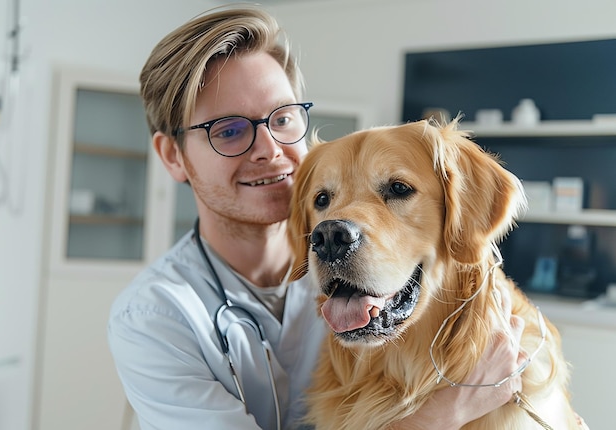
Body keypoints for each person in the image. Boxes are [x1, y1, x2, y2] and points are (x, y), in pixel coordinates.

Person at [108, 5, 526, 430]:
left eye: (282, 118)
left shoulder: (392, 287)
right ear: (172, 156)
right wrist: (452, 409)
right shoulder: (153, 319)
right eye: (229, 130)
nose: (270, 149)